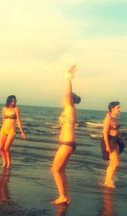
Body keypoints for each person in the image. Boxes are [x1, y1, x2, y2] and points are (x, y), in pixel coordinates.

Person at [51, 65, 81, 205]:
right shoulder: (69, 110)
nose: (62, 99)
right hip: (67, 143)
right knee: (61, 170)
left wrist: (68, 78)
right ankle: (65, 196)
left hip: (67, 144)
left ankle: (62, 196)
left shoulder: (70, 108)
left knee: (55, 169)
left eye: (65, 98)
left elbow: (68, 94)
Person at [0, 95, 26, 168]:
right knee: (0, 148)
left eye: (14, 101)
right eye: (12, 101)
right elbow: (3, 120)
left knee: (6, 148)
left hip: (11, 131)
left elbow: (18, 121)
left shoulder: (16, 109)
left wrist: (22, 132)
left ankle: (9, 164)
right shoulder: (4, 109)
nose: (13, 103)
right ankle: (4, 162)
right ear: (8, 101)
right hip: (3, 130)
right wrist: (2, 129)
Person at [103, 101, 123, 188]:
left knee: (114, 163)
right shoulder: (108, 118)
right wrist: (107, 145)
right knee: (115, 163)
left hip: (115, 140)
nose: (120, 109)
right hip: (110, 141)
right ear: (112, 109)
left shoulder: (115, 117)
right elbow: (104, 132)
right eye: (118, 108)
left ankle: (108, 180)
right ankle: (108, 181)